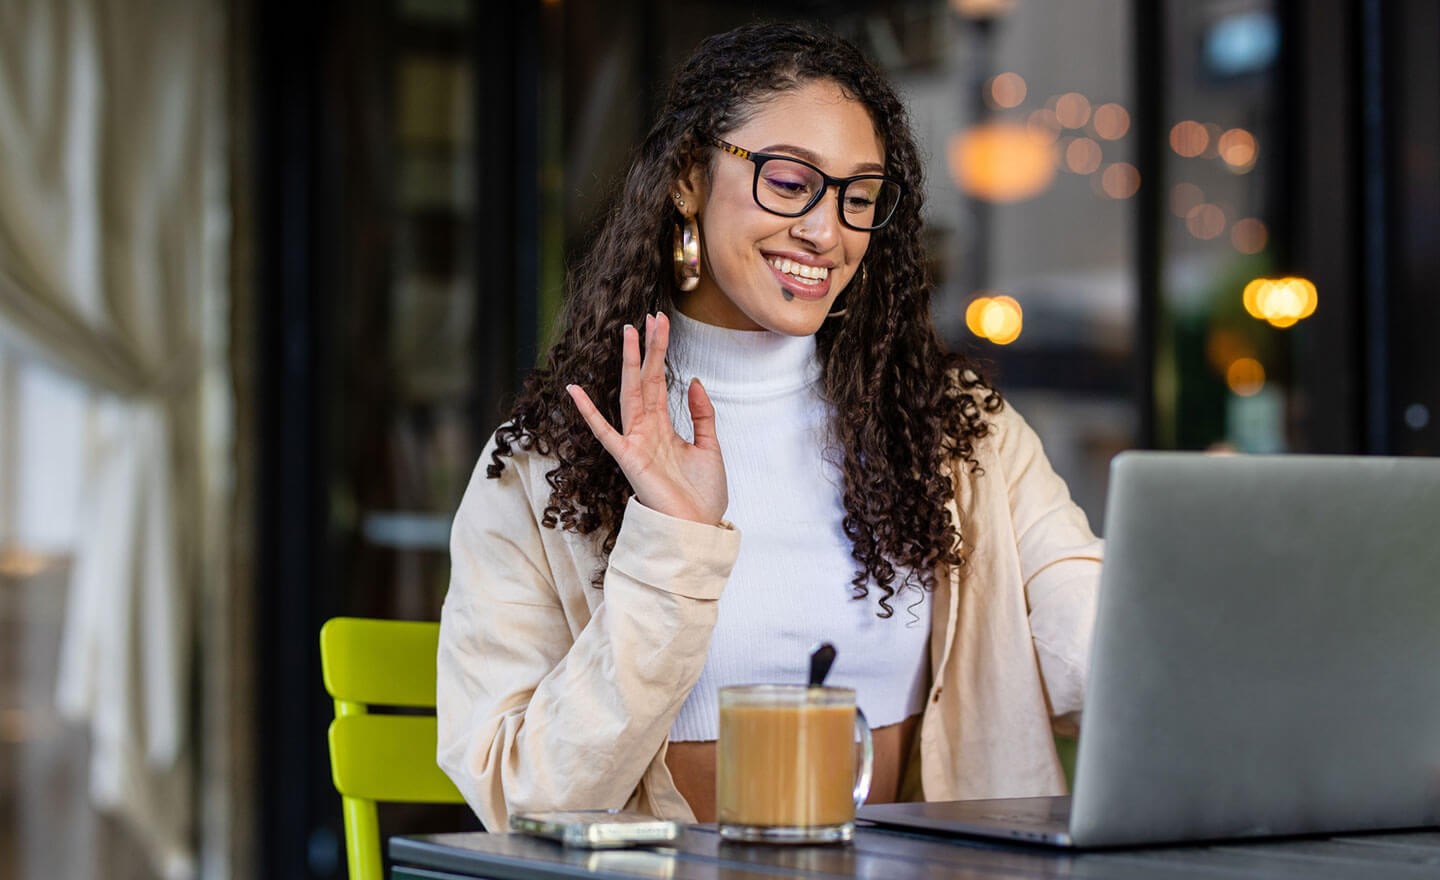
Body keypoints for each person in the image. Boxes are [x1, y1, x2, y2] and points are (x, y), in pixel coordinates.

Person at [437, 21, 1103, 831]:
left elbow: (1097, 638)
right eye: (790, 183)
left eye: (858, 198)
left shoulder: (958, 434)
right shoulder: (548, 463)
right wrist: (673, 544)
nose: (827, 232)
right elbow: (522, 798)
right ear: (689, 176)